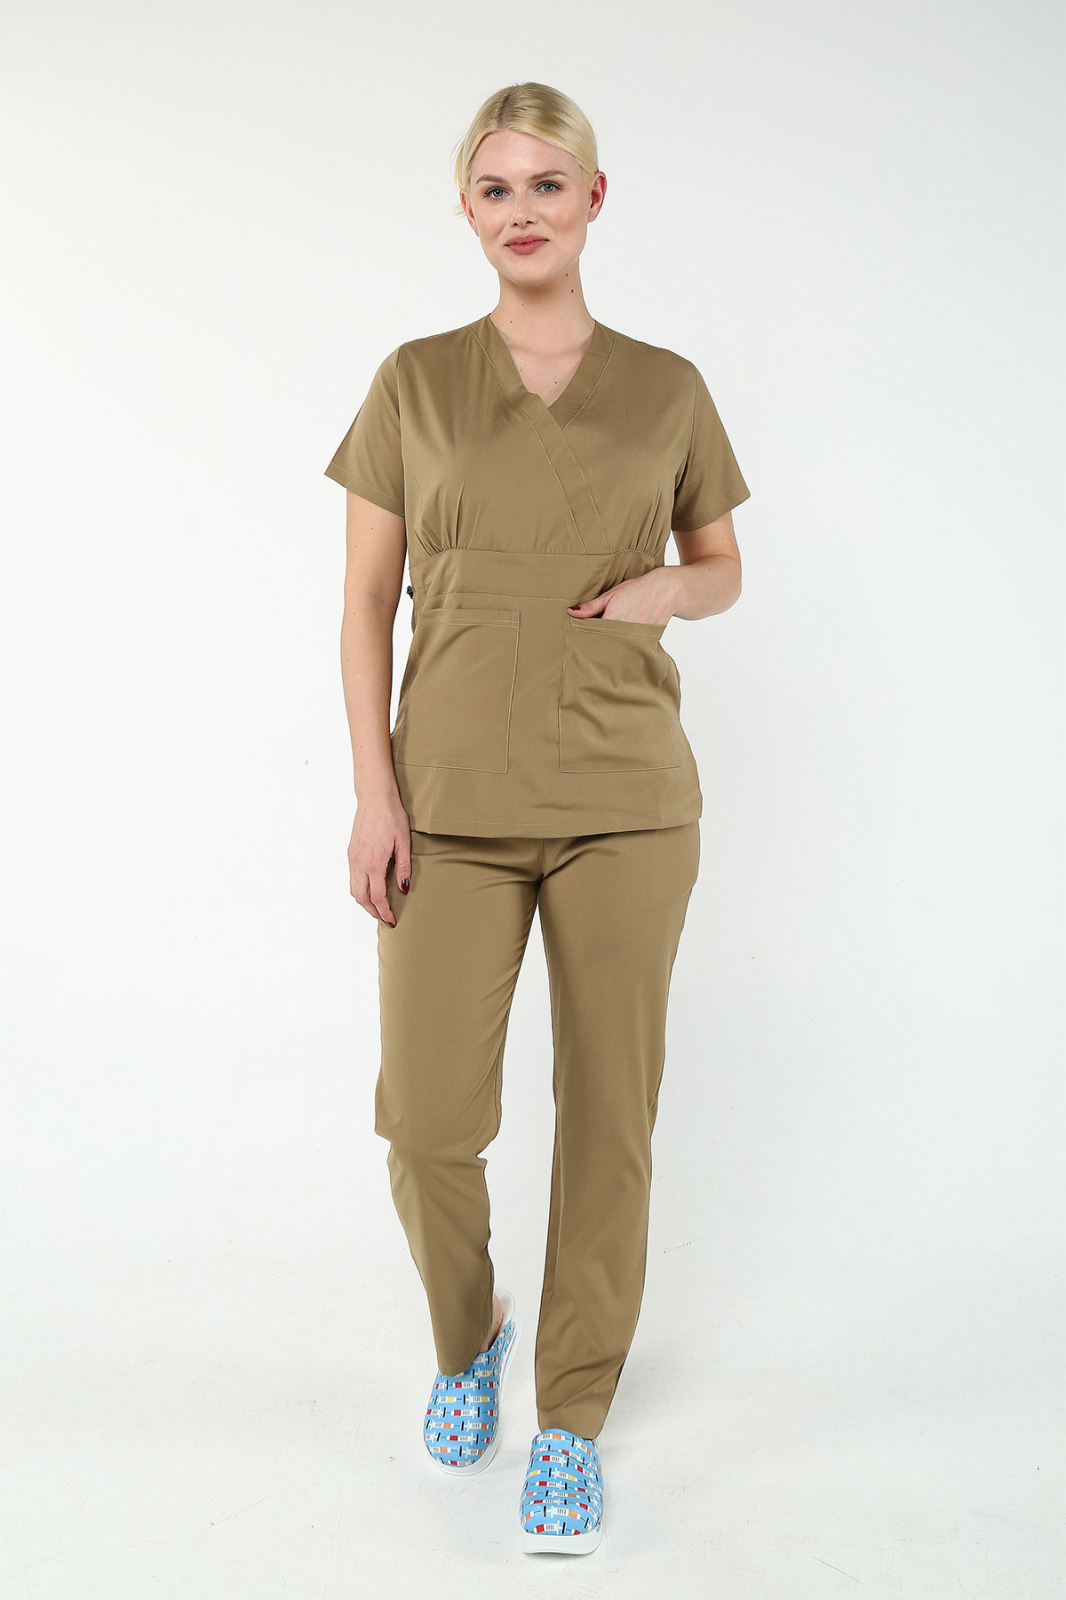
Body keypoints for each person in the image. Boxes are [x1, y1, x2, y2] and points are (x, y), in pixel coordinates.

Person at [325, 81, 749, 1556]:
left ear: (593, 199)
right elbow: (365, 602)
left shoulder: (667, 387)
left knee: (609, 1115)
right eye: (496, 188)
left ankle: (569, 1414)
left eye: (547, 185)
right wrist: (374, 790)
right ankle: (472, 1334)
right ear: (468, 210)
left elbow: (722, 567)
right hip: (447, 794)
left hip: (626, 796)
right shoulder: (414, 382)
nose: (523, 211)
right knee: (426, 1119)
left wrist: (666, 588)